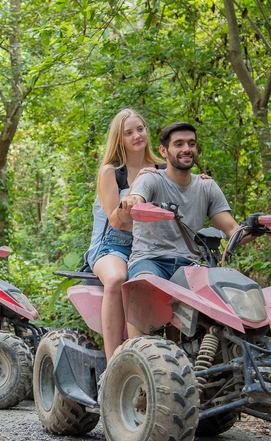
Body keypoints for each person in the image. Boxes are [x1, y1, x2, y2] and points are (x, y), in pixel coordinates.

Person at [120, 121, 252, 338]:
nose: (186, 149)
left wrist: (255, 229)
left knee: (224, 302)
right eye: (178, 144)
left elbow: (232, 230)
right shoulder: (151, 178)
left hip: (191, 266)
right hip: (152, 260)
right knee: (142, 286)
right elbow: (139, 196)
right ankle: (137, 355)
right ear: (164, 151)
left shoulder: (206, 186)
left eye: (191, 144)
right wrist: (134, 199)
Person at [86, 109, 166, 362]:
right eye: (128, 133)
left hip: (153, 246)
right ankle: (114, 366)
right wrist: (139, 182)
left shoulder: (164, 169)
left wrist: (201, 182)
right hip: (112, 246)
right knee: (117, 279)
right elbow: (115, 219)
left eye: (140, 129)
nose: (136, 136)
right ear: (119, 140)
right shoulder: (111, 171)